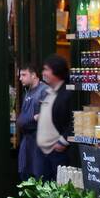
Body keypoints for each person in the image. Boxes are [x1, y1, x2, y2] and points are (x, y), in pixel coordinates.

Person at [34, 54, 73, 182]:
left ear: (56, 71)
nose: (43, 73)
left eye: (46, 69)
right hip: (44, 153)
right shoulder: (50, 92)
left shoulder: (67, 93)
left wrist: (63, 141)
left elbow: (75, 120)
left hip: (57, 154)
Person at [16, 61, 48, 182]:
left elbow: (45, 118)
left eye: (23, 75)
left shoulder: (44, 91)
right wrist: (32, 118)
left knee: (39, 178)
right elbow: (21, 121)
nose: (20, 78)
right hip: (27, 142)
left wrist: (29, 120)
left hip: (39, 144)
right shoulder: (28, 92)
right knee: (25, 176)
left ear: (34, 75)